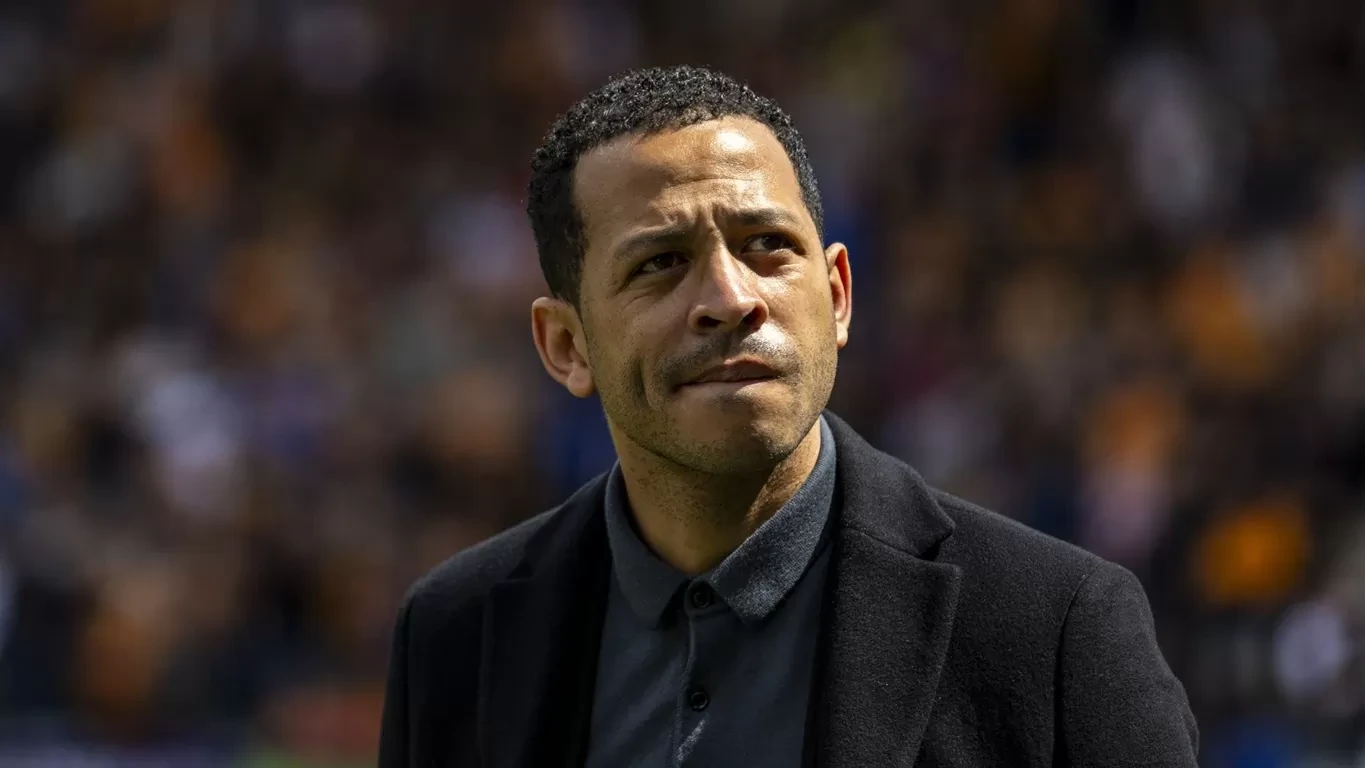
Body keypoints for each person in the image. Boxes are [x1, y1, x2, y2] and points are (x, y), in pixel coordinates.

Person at [377, 65, 1199, 768]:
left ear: (836, 296)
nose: (731, 298)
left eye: (767, 244)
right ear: (567, 345)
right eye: (660, 263)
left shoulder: (1054, 630)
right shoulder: (455, 636)